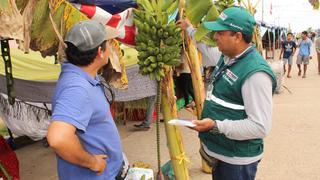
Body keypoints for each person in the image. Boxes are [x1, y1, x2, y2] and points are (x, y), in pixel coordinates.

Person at [189, 7, 277, 180]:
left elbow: (259, 127)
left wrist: (215, 126)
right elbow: (205, 48)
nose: (215, 37)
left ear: (237, 37)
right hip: (221, 152)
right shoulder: (227, 56)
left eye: (220, 33)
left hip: (236, 160)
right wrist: (188, 29)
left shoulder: (256, 74)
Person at [46, 20, 127, 180]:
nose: (110, 48)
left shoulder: (82, 75)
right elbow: (58, 138)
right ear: (100, 52)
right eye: (108, 44)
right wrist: (92, 162)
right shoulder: (77, 88)